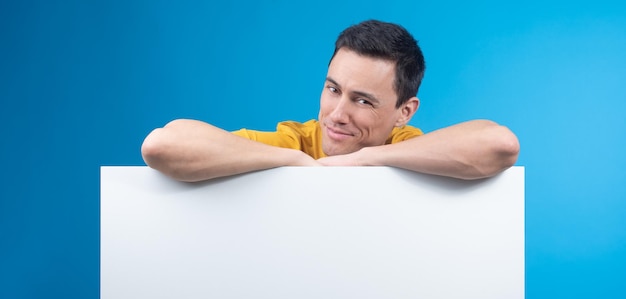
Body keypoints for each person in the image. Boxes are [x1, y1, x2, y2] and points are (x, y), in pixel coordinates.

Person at [141, 20, 519, 182]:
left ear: (405, 112)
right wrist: (295, 160)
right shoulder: (297, 141)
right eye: (333, 89)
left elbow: (500, 145)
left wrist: (367, 158)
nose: (337, 115)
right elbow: (161, 145)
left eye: (363, 102)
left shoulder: (405, 146)